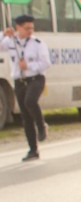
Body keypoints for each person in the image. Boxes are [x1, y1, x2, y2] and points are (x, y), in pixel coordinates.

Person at [1, 14, 50, 161]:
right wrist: (4, 34)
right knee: (26, 117)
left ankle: (41, 126)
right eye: (26, 28)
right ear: (18, 28)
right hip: (20, 81)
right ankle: (33, 150)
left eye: (31, 28)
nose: (30, 31)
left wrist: (28, 66)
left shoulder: (38, 43)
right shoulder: (10, 41)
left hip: (36, 79)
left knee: (30, 101)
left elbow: (46, 63)